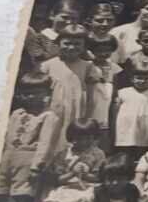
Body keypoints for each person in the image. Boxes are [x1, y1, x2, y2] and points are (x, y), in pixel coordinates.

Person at [0, 73, 59, 202]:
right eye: (26, 94)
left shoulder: (48, 116)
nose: (30, 97)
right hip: (8, 158)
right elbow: (5, 137)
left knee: (21, 196)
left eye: (36, 93)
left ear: (47, 94)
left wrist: (37, 166)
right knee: (2, 192)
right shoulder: (17, 114)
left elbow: (45, 143)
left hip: (28, 161)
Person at [39, 23, 102, 154]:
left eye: (77, 44)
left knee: (70, 141)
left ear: (84, 46)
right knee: (50, 138)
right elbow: (41, 93)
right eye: (67, 43)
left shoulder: (88, 66)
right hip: (53, 110)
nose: (72, 47)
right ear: (58, 43)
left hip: (76, 111)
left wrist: (88, 116)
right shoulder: (48, 65)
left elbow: (91, 96)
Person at [111, 60, 148, 165]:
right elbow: (114, 113)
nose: (142, 81)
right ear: (132, 78)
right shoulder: (123, 93)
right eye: (139, 78)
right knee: (124, 157)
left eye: (146, 78)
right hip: (125, 131)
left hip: (144, 132)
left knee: (141, 157)